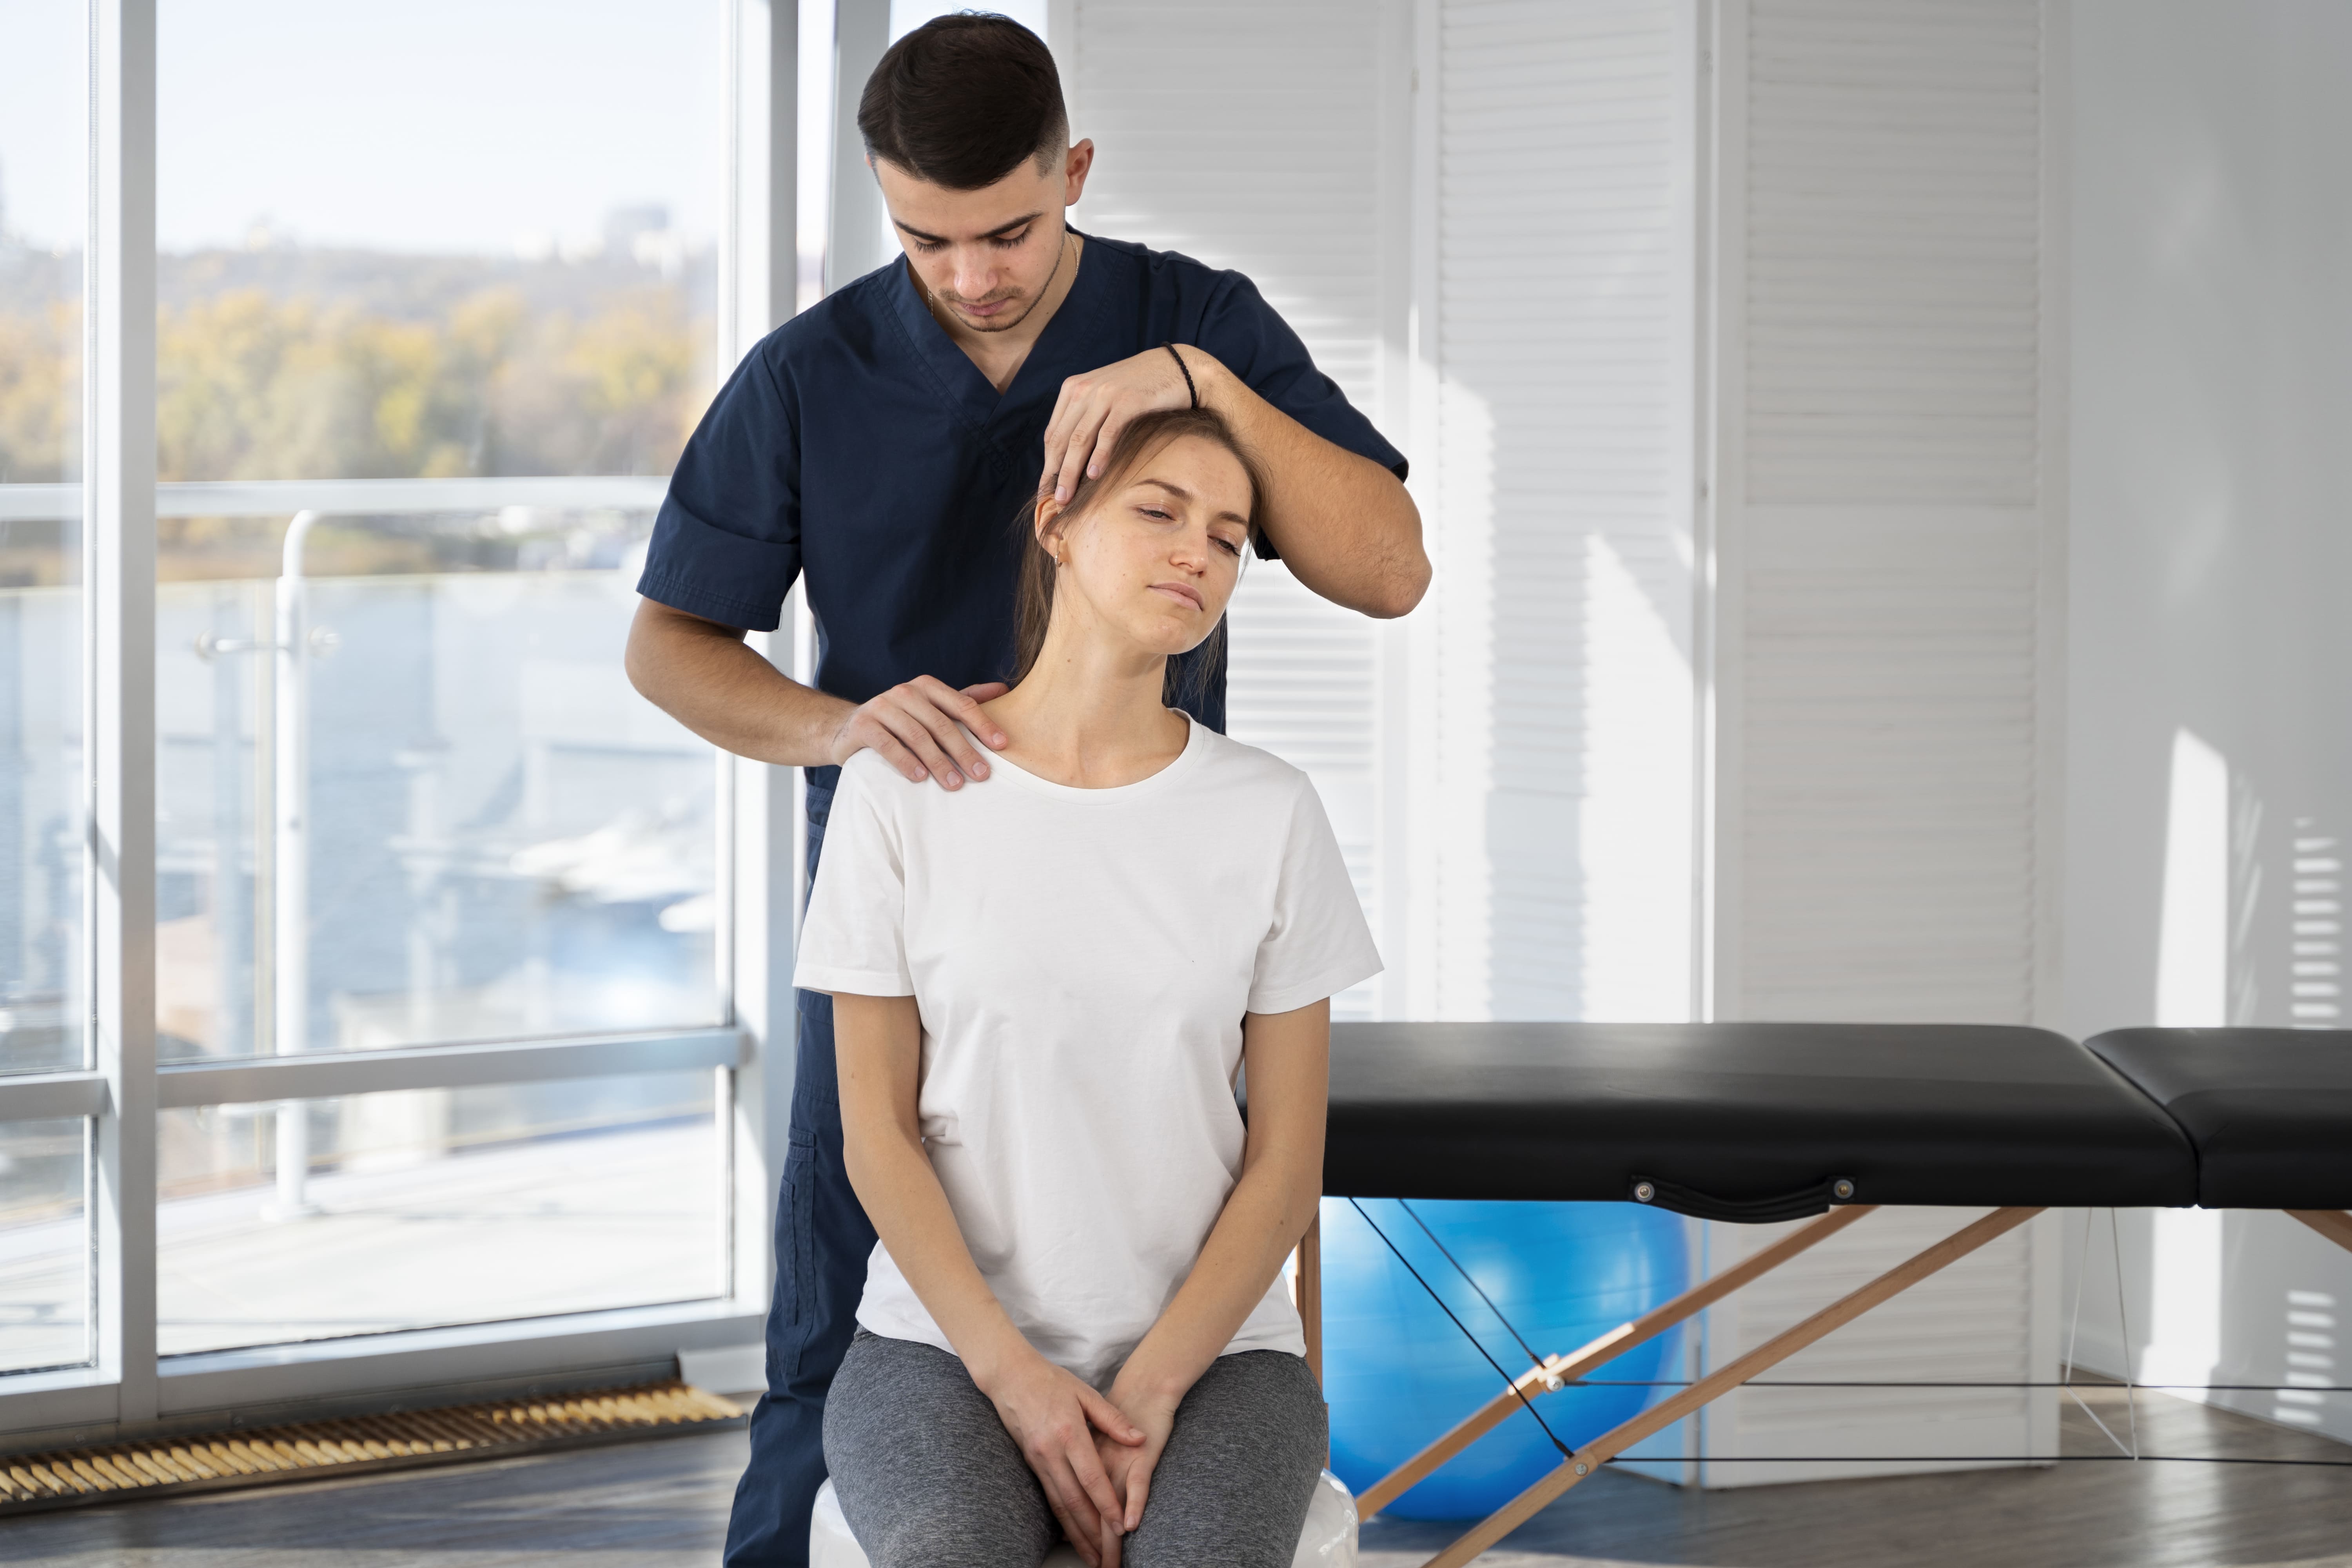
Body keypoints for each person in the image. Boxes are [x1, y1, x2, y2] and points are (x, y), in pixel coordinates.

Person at [623, 15, 1426, 1564]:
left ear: (1076, 172)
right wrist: (840, 732)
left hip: (1151, 878)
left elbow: (1389, 567)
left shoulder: (1190, 323)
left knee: (1159, 1247)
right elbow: (670, 644)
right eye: (926, 238)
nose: (972, 275)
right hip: (916, 879)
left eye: (1007, 231)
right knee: (838, 1321)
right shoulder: (814, 373)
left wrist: (1203, 383)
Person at [802, 406, 1379, 1568]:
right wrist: (1015, 1378)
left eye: (1229, 538)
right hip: (940, 1350)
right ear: (1056, 525)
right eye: (1160, 511)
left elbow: (1287, 1164)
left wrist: (1154, 1386)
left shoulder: (1270, 810)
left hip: (1219, 1360)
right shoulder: (901, 791)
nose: (1197, 554)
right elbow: (876, 1135)